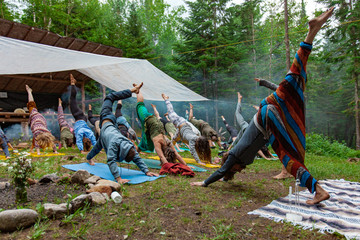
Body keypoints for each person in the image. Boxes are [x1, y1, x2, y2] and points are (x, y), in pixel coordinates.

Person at [191, 7, 334, 205]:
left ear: (232, 166)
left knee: (291, 90)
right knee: (292, 88)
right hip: (269, 121)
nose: (243, 170)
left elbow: (222, 171)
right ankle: (317, 189)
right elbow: (226, 175)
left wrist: (205, 183)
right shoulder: (241, 160)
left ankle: (311, 32)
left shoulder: (233, 157)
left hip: (267, 115)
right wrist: (226, 178)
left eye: (237, 171)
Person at [87, 83, 158, 184]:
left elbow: (113, 160)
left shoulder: (124, 145)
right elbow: (131, 158)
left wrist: (146, 171)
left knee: (96, 148)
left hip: (109, 128)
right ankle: (133, 90)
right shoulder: (123, 145)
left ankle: (88, 158)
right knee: (110, 97)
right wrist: (119, 178)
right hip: (108, 122)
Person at [135, 88, 186, 165]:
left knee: (144, 143)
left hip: (157, 124)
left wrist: (186, 165)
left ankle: (135, 155)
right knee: (140, 104)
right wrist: (173, 167)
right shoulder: (160, 143)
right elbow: (163, 157)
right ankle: (137, 89)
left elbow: (175, 155)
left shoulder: (168, 143)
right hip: (148, 120)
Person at [162, 94, 212, 165]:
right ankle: (166, 99)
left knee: (173, 141)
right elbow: (192, 151)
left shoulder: (198, 139)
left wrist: (211, 161)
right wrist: (199, 162)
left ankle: (166, 152)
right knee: (171, 112)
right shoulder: (193, 139)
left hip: (181, 131)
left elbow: (206, 150)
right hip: (180, 123)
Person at [26, 85, 58, 155]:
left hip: (40, 120)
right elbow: (38, 143)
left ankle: (29, 92)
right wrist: (38, 152)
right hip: (37, 117)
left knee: (32, 105)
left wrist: (55, 151)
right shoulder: (38, 133)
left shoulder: (46, 134)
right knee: (31, 105)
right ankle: (29, 92)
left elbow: (51, 142)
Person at [69, 74, 96, 154]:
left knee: (73, 100)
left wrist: (96, 148)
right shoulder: (80, 133)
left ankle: (73, 84)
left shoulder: (89, 133)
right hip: (78, 116)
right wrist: (81, 150)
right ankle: (73, 83)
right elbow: (78, 141)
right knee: (72, 99)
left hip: (84, 119)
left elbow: (94, 140)